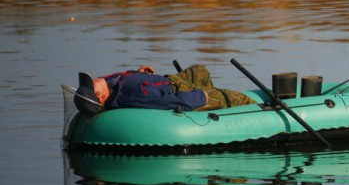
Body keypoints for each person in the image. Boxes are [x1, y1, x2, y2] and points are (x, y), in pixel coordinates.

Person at [74, 64, 256, 116]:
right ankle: (259, 110)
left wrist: (137, 74)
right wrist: (199, 97)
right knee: (236, 98)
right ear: (103, 96)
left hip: (171, 80)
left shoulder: (111, 83)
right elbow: (165, 102)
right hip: (178, 92)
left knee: (199, 70)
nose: (95, 79)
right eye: (93, 84)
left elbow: (125, 79)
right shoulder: (129, 97)